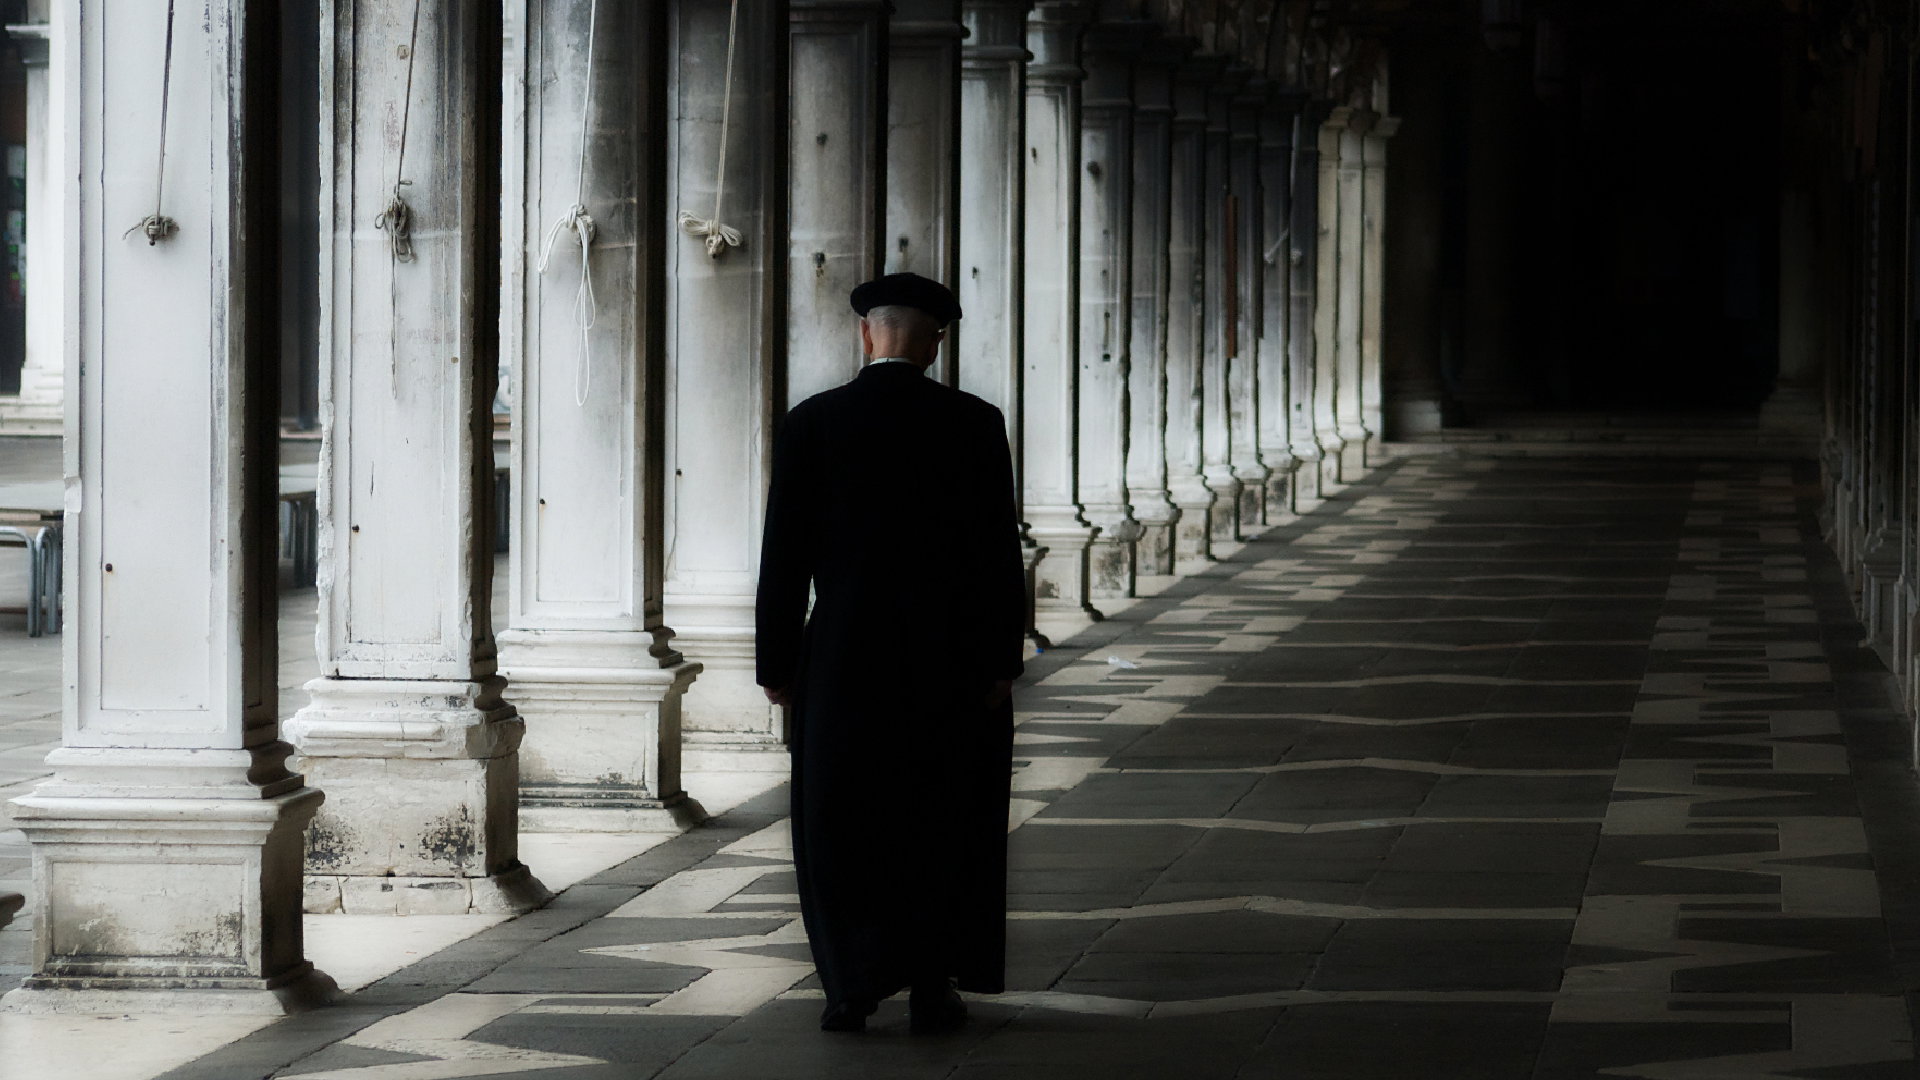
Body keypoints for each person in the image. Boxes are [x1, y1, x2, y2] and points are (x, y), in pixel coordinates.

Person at [755, 272, 1025, 1035]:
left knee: (841, 816)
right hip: (951, 654)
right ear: (935, 342)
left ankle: (850, 983)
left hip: (844, 652)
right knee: (942, 813)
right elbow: (996, 553)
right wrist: (1001, 659)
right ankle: (932, 983)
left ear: (865, 333)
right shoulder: (974, 422)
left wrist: (777, 664)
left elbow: (785, 557)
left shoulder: (814, 422)